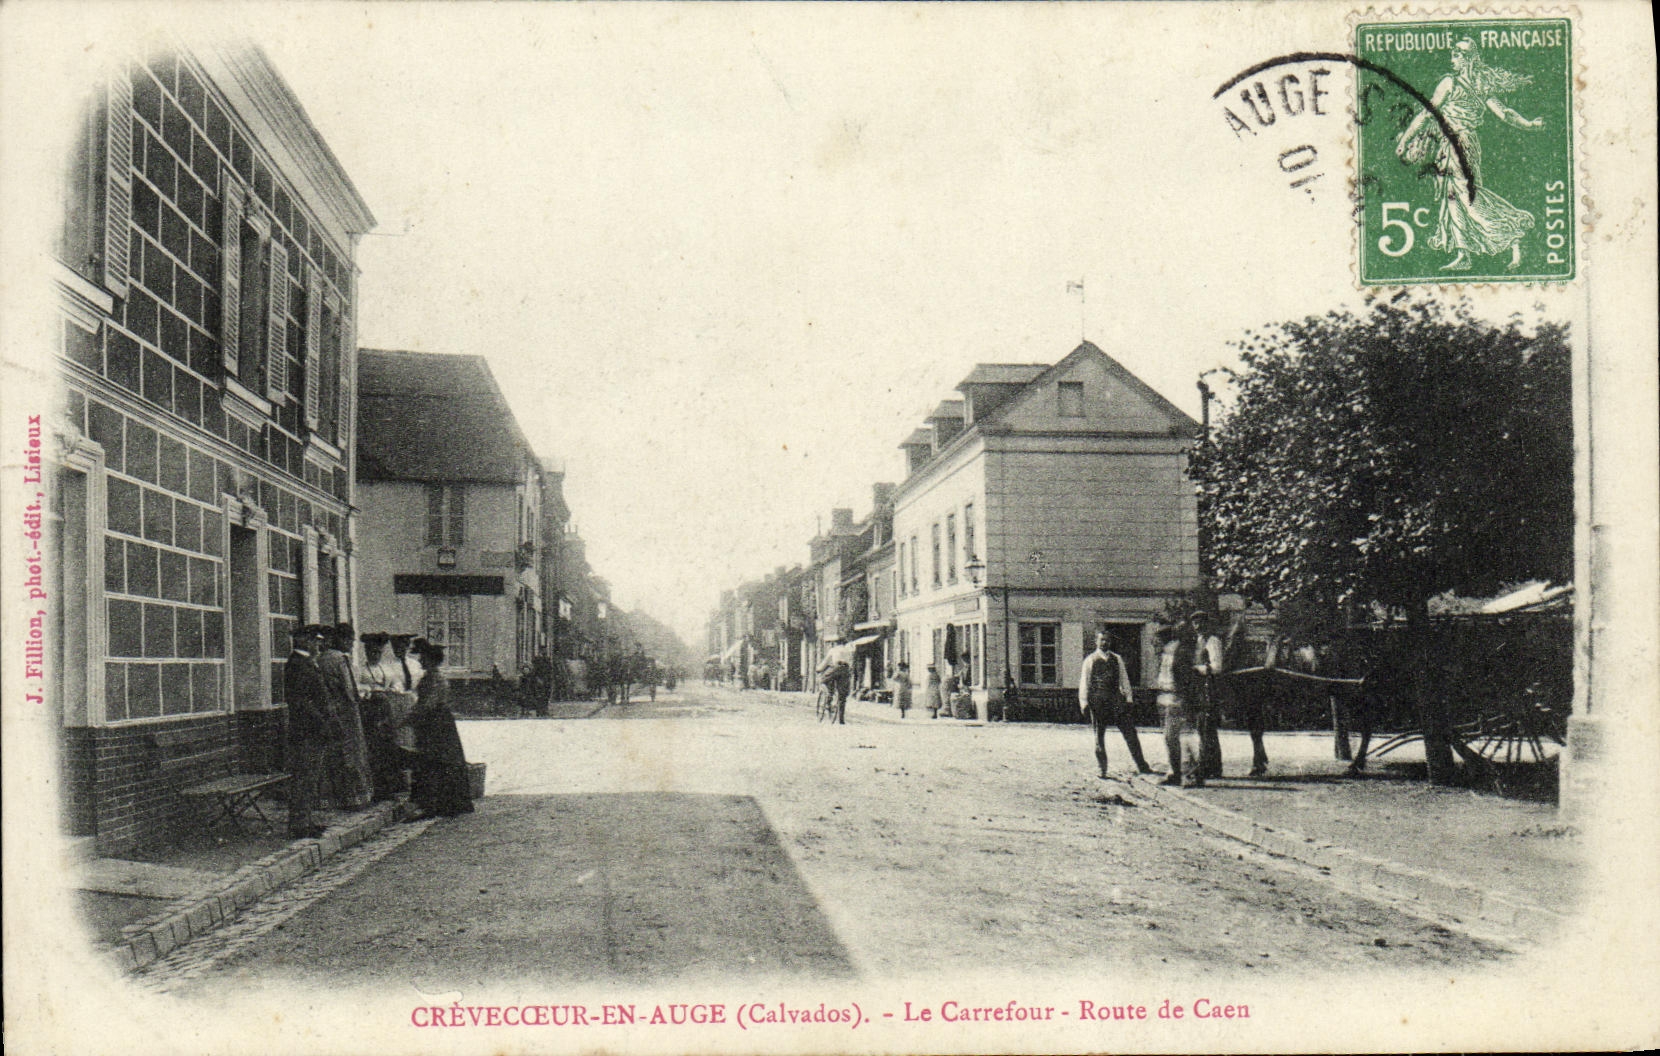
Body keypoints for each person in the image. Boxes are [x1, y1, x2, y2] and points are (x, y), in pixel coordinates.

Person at [1394, 38, 1545, 272]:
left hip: (1457, 145)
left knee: (1465, 197)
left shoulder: (1450, 83)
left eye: (1456, 56)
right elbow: (1505, 113)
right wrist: (1529, 124)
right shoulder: (1481, 86)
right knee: (1454, 197)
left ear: (1467, 60)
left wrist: (1405, 140)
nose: (1452, 60)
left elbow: (1426, 114)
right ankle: (1464, 254)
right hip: (1462, 144)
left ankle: (1512, 230)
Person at [402, 638, 475, 818]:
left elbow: (428, 703)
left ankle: (435, 804)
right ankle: (437, 803)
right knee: (435, 760)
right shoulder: (431, 677)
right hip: (437, 721)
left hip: (435, 723)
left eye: (423, 657)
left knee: (434, 761)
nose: (420, 660)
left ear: (431, 659)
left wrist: (410, 718)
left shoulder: (434, 679)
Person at [283, 625, 340, 838]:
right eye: (315, 640)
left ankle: (305, 821)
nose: (318, 644)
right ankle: (299, 825)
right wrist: (322, 721)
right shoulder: (297, 664)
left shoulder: (306, 662)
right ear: (303, 640)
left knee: (310, 777)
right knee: (304, 777)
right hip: (306, 730)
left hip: (313, 730)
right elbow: (301, 701)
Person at [1078, 627, 1154, 779]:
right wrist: (1084, 703)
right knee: (1099, 736)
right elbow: (1084, 683)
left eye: (1107, 640)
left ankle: (1142, 765)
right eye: (1102, 640)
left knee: (1130, 732)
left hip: (1116, 701)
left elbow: (1124, 680)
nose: (1104, 643)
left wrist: (1129, 698)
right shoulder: (1090, 660)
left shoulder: (1117, 659)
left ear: (1110, 642)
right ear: (1096, 641)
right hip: (1098, 702)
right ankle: (1102, 768)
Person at [318, 622, 372, 810]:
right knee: (352, 754)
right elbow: (349, 690)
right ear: (340, 639)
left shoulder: (321, 658)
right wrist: (361, 697)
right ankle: (354, 798)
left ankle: (330, 799)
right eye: (349, 640)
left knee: (333, 754)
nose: (351, 644)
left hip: (328, 712)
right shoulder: (341, 659)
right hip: (346, 712)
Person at [358, 632, 408, 800]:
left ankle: (390, 788)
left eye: (378, 652)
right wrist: (369, 690)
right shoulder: (361, 670)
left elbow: (397, 683)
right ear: (366, 652)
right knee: (374, 749)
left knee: (389, 748)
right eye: (372, 652)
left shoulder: (386, 669)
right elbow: (357, 687)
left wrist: (394, 689)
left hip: (386, 712)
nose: (375, 655)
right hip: (369, 713)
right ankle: (376, 789)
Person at [1155, 618, 1204, 787]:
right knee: (1172, 738)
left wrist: (1185, 699)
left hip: (1177, 699)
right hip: (1168, 698)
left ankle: (1190, 774)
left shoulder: (1179, 652)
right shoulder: (1170, 652)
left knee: (1182, 737)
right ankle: (1177, 772)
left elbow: (1185, 679)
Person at [1192, 612, 1226, 780]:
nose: (1198, 627)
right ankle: (1211, 766)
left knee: (1207, 727)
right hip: (1198, 688)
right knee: (1202, 727)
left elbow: (1217, 667)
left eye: (1201, 623)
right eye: (1195, 623)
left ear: (1207, 624)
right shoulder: (1198, 641)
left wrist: (1196, 669)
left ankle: (1209, 766)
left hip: (1209, 689)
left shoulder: (1213, 641)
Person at [817, 641, 853, 724]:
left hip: (835, 668)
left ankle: (828, 695)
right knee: (842, 695)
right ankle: (841, 719)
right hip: (845, 670)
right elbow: (851, 663)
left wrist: (818, 669)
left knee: (824, 680)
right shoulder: (848, 651)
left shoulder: (833, 650)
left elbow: (825, 662)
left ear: (836, 643)